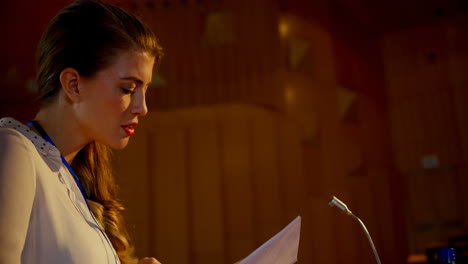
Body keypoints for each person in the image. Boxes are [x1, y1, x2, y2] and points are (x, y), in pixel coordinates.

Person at [0, 0, 163, 263]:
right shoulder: (15, 150)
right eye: (127, 89)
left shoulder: (77, 181)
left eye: (145, 91)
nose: (142, 108)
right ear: (73, 85)